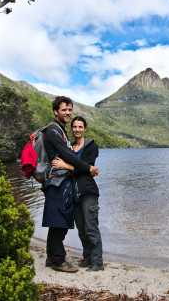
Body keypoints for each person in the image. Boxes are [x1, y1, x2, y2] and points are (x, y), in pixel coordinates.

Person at [42, 96, 99, 272]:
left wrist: (77, 166)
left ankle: (52, 258)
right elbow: (67, 154)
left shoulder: (58, 130)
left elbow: (67, 156)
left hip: (58, 183)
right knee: (59, 223)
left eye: (69, 109)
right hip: (57, 183)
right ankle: (58, 260)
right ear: (55, 111)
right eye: (64, 109)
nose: (67, 112)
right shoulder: (53, 131)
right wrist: (88, 167)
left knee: (57, 222)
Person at [52, 116, 104, 271]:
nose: (77, 130)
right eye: (74, 127)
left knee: (91, 227)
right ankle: (87, 258)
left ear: (85, 128)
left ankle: (97, 262)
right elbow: (83, 169)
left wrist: (66, 165)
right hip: (73, 194)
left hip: (88, 192)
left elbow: (86, 168)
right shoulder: (69, 148)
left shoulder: (91, 146)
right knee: (81, 229)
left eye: (80, 127)